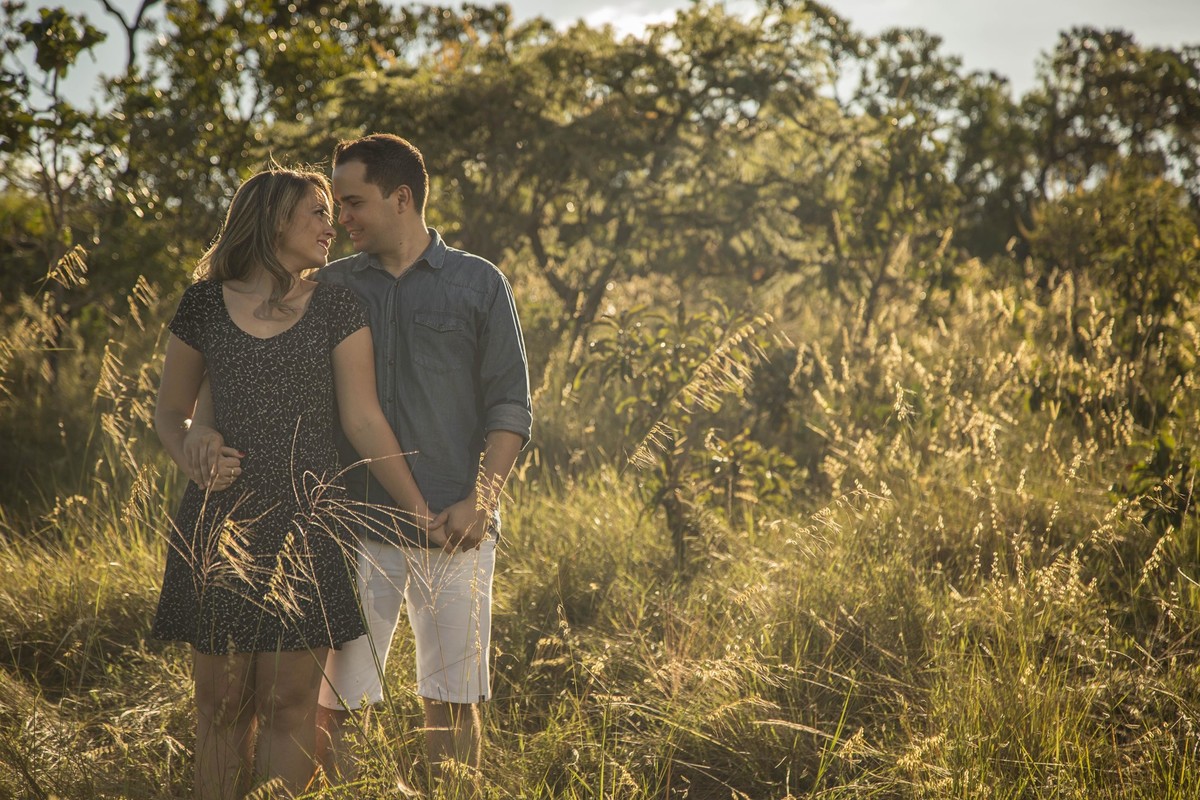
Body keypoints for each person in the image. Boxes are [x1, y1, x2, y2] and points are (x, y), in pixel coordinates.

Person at [189, 134, 532, 791]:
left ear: (401, 198)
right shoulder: (330, 286)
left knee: (453, 699)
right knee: (327, 704)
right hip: (350, 531)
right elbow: (253, 351)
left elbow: (510, 406)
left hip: (458, 526)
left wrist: (482, 501)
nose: (340, 217)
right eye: (333, 206)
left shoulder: (478, 283)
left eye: (352, 202)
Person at [153, 165, 435, 799]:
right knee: (222, 707)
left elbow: (363, 419)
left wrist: (415, 506)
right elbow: (171, 414)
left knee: (289, 704)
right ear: (276, 218)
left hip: (308, 525)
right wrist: (193, 447)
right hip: (218, 521)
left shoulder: (337, 306)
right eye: (316, 212)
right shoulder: (203, 302)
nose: (330, 227)